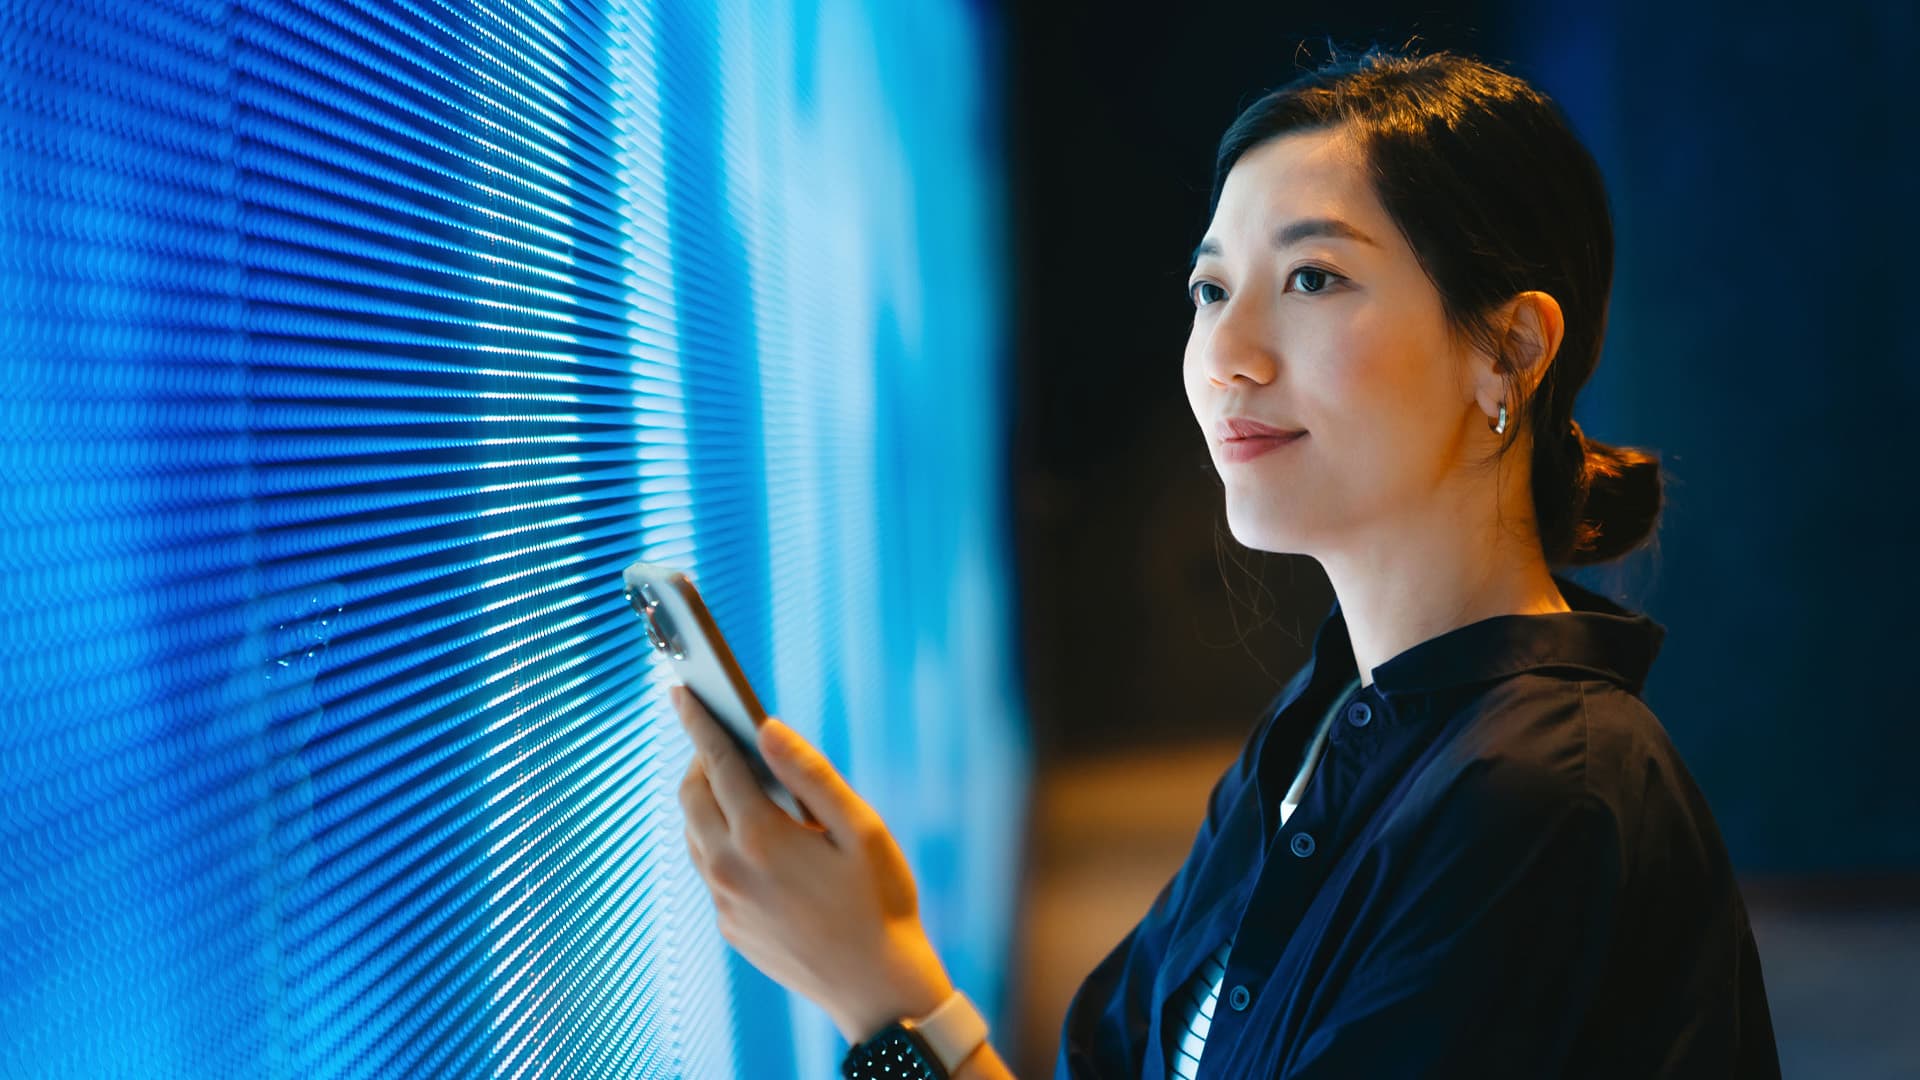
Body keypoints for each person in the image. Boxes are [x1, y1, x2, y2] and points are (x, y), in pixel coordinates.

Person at [669, 45, 1781, 1080]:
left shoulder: (1539, 804)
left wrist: (879, 994)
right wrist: (899, 979)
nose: (1227, 359)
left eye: (1311, 279)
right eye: (1211, 290)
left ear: (1509, 350)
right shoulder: (1327, 725)